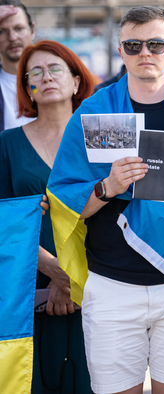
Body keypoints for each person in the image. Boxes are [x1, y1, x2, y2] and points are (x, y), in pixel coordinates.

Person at [46, 6, 164, 394]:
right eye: (133, 45)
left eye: (155, 43)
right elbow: (65, 203)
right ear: (121, 51)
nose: (144, 53)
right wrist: (107, 187)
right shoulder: (96, 111)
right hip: (112, 283)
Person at [0, 40, 94, 393]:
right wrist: (56, 272)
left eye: (56, 68)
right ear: (27, 89)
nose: (46, 76)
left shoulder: (99, 140)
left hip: (97, 287)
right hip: (27, 291)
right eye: (34, 73)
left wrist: (72, 280)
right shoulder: (7, 144)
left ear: (75, 80)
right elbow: (3, 220)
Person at [0, 0, 35, 131]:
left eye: (18, 28)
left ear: (32, 30)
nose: (12, 37)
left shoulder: (57, 79)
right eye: (2, 31)